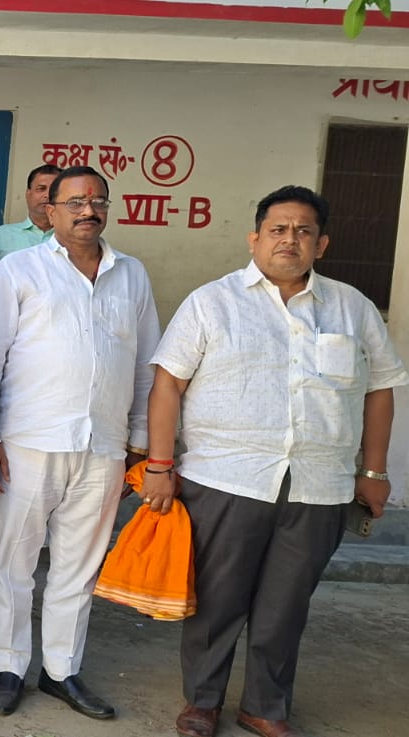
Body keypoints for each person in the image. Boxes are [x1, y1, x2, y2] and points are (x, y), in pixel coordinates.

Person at [145, 186, 407, 737]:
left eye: (304, 231)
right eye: (278, 229)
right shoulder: (212, 302)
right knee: (217, 601)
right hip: (226, 478)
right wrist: (160, 464)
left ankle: (265, 705)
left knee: (286, 605)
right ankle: (202, 702)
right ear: (255, 238)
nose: (290, 239)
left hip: (319, 484)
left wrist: (374, 471)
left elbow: (380, 388)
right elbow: (168, 383)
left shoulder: (352, 307)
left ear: (322, 244)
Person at [0, 166, 160, 720]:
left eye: (98, 201)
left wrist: (138, 441)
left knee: (79, 568)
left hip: (103, 447)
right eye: (76, 202)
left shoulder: (131, 274)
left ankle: (61, 670)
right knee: (14, 560)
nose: (88, 210)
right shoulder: (18, 269)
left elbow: (145, 365)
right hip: (28, 440)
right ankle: (8, 667)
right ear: (50, 210)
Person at [0, 165, 58, 273]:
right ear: (28, 194)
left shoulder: (74, 237)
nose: (47, 195)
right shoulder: (0, 236)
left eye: (54, 190)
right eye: (41, 189)